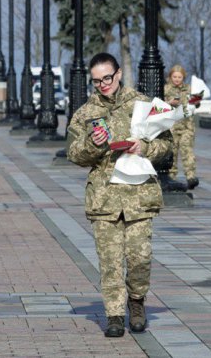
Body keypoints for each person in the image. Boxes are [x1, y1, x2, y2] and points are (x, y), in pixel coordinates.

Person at [67, 53, 173, 338]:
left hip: (139, 196)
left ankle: (136, 303)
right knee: (110, 262)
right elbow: (74, 154)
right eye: (96, 80)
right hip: (105, 198)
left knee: (140, 259)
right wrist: (92, 143)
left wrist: (145, 148)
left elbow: (167, 147)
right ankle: (114, 314)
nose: (102, 84)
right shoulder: (86, 113)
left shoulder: (143, 104)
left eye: (107, 78)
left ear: (118, 75)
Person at [164, 65, 200, 189]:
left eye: (179, 77)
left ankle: (191, 177)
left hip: (187, 126)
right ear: (170, 77)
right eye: (174, 76)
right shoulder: (165, 89)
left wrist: (196, 101)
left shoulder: (189, 89)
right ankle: (172, 177)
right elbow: (158, 105)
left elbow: (196, 104)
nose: (177, 79)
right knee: (172, 154)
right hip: (172, 127)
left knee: (187, 151)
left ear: (183, 77)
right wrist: (169, 103)